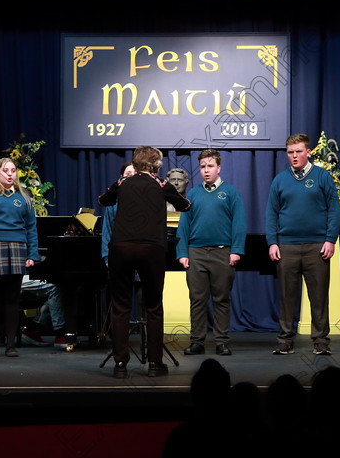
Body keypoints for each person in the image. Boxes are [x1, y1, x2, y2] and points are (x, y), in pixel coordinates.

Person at [98, 146, 190, 378]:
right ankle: (154, 364)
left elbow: (103, 200)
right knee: (153, 307)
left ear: (136, 164)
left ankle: (120, 366)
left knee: (120, 307)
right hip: (152, 250)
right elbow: (185, 206)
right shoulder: (160, 185)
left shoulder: (122, 184)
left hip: (121, 249)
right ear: (156, 166)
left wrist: (121, 184)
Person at [265, 133, 340, 355]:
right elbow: (271, 213)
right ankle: (285, 340)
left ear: (308, 152)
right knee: (287, 296)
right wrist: (273, 242)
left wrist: (330, 239)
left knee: (318, 296)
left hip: (316, 246)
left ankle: (320, 342)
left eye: (299, 151)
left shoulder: (322, 177)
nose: (295, 156)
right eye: (290, 152)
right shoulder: (280, 180)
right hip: (287, 246)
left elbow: (334, 210)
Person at [177, 149, 246, 356]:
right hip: (196, 253)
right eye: (202, 167)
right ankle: (197, 341)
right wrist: (182, 252)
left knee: (221, 298)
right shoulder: (193, 193)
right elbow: (184, 225)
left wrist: (236, 251)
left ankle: (222, 341)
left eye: (210, 166)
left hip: (222, 253)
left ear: (219, 167)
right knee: (197, 299)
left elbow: (239, 223)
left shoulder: (231, 192)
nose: (206, 170)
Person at [0, 158, 40, 358]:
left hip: (17, 247)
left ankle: (10, 345)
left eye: (13, 170)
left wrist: (32, 253)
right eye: (6, 170)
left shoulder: (24, 196)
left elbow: (31, 227)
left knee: (13, 298)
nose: (10, 174)